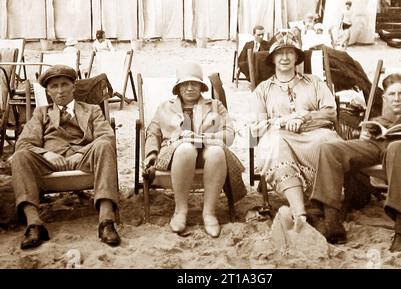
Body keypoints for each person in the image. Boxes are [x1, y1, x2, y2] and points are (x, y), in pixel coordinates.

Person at [310, 73, 401, 252]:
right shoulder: (377, 121)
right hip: (377, 147)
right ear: (384, 97)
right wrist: (364, 136)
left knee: (397, 147)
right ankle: (332, 220)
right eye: (391, 94)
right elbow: (366, 144)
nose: (396, 98)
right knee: (329, 149)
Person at [11, 65, 121, 249]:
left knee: (104, 145)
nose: (60, 91)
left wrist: (81, 152)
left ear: (73, 87)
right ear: (48, 91)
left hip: (84, 158)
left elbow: (106, 136)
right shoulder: (41, 113)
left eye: (64, 84)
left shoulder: (92, 109)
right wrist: (47, 153)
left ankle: (106, 222)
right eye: (54, 86)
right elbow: (23, 143)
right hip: (50, 162)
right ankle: (34, 224)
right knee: (20, 156)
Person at [251, 31, 340, 231]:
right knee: (274, 146)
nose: (284, 57)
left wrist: (304, 116)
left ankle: (326, 207)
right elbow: (257, 126)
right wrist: (285, 120)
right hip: (281, 137)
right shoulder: (263, 90)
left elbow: (331, 112)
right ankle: (300, 213)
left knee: (330, 144)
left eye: (290, 52)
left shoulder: (314, 82)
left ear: (296, 57)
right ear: (272, 58)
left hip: (316, 135)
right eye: (279, 53)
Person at [143, 62, 244, 238]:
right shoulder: (165, 107)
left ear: (201, 86)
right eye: (185, 84)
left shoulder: (215, 105)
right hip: (175, 154)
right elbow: (153, 133)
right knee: (186, 149)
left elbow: (229, 134)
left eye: (194, 83)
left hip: (207, 151)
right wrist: (151, 154)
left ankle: (209, 212)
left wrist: (204, 139)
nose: (190, 88)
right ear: (178, 87)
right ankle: (180, 210)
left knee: (217, 152)